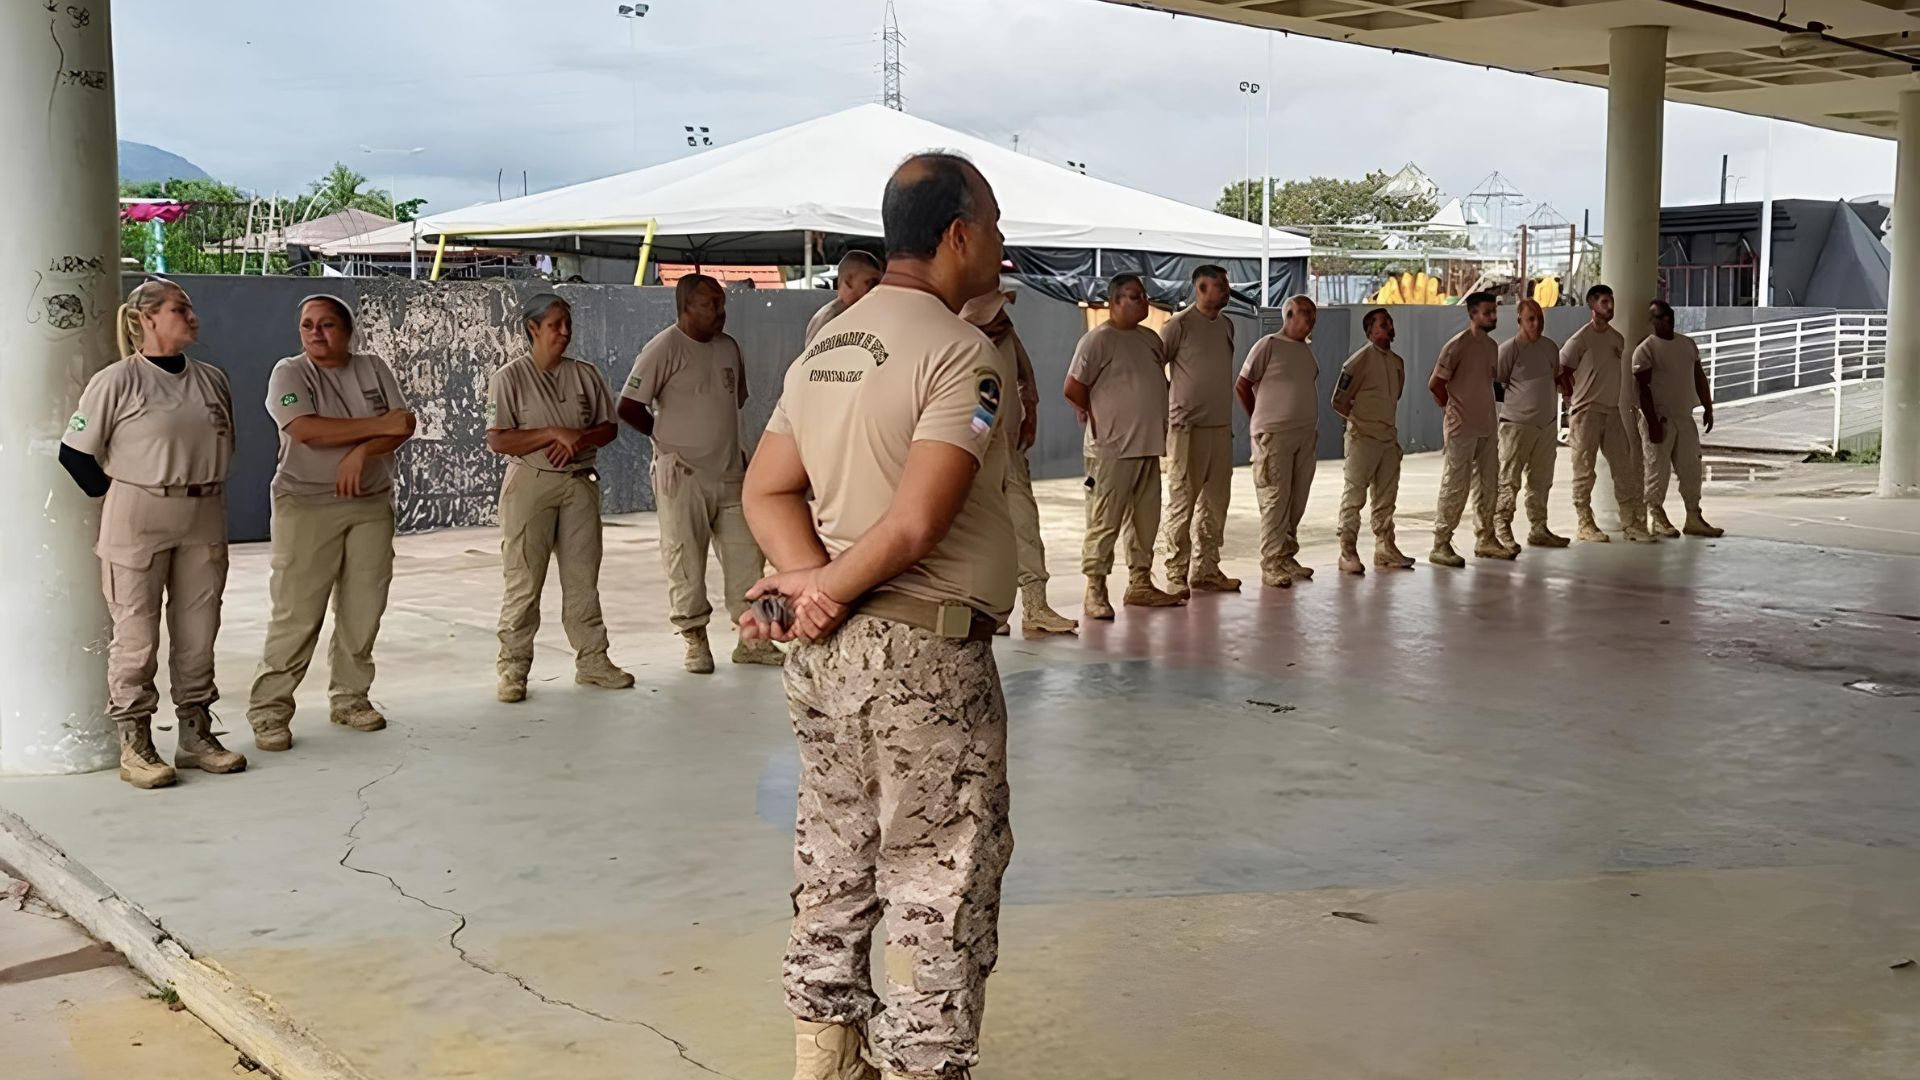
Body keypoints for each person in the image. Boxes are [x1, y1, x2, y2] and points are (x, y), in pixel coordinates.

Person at [739, 152, 1014, 1080]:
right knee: (938, 881)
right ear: (960, 235)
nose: (1004, 245)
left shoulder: (827, 347)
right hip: (921, 657)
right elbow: (916, 522)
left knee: (835, 857)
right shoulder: (960, 352)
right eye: (998, 226)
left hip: (828, 658)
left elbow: (766, 489)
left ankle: (825, 1059)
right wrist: (827, 587)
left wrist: (810, 581)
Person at [59, 280, 245, 789]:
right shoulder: (117, 381)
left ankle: (195, 734)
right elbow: (75, 453)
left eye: (188, 307)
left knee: (199, 630)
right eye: (179, 309)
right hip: (140, 512)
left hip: (203, 510)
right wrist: (122, 495)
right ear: (146, 319)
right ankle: (135, 742)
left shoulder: (212, 379)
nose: (191, 316)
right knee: (137, 635)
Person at [246, 296, 416, 751]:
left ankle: (350, 697)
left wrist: (363, 451)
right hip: (306, 503)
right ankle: (270, 710)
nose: (317, 334)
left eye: (327, 325)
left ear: (348, 329)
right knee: (297, 612)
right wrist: (375, 426)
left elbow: (402, 426)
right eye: (307, 326)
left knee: (363, 607)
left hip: (370, 502)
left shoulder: (373, 368)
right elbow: (306, 429)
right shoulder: (290, 372)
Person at [618, 274, 782, 673]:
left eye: (722, 305)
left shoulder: (729, 348)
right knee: (684, 559)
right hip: (683, 476)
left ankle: (754, 641)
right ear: (686, 306)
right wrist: (666, 440)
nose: (720, 314)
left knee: (748, 559)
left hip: (730, 472)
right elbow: (628, 406)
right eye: (710, 305)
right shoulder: (663, 348)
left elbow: (734, 401)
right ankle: (695, 641)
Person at [485, 293, 634, 703]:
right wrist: (552, 433)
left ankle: (593, 660)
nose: (564, 333)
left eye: (568, 324)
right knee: (523, 580)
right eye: (555, 325)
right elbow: (498, 439)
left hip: (578, 481)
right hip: (531, 481)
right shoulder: (510, 378)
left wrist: (578, 439)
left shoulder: (585, 375)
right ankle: (513, 667)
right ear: (533, 329)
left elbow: (608, 427)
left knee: (583, 578)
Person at [1064, 273, 1186, 617]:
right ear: (1115, 302)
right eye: (1134, 296)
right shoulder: (1097, 340)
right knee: (1105, 521)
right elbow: (1074, 387)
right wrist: (1097, 418)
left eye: (1144, 295)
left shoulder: (1150, 340)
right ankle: (1096, 590)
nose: (1143, 300)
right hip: (1112, 450)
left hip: (1148, 446)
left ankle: (1140, 584)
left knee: (1145, 521)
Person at [962, 288, 1079, 638]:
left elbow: (1026, 377)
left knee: (1024, 525)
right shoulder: (959, 340)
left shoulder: (1007, 336)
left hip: (1009, 451)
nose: (1003, 317)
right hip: (974, 453)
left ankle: (1035, 606)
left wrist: (1031, 415)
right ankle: (989, 610)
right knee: (981, 535)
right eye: (995, 310)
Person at [1156, 265, 1241, 596]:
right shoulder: (1178, 326)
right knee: (1182, 499)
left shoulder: (1227, 326)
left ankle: (1206, 568)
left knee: (1216, 502)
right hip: (1186, 428)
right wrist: (1173, 404)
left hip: (1219, 427)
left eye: (1226, 284)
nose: (1226, 290)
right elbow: (1155, 366)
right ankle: (1176, 572)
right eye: (1220, 285)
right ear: (1201, 288)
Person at [1560, 285, 1657, 543]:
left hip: (1612, 411)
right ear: (1592, 306)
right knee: (1584, 470)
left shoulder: (1617, 338)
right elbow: (1561, 371)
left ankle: (1631, 524)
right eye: (1604, 302)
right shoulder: (1579, 340)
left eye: (1611, 302)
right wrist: (1572, 399)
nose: (1610, 307)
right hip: (1586, 413)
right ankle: (1584, 523)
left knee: (1623, 468)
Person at [1235, 294, 1320, 588]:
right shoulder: (1268, 345)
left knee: (1296, 500)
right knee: (1275, 499)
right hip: (1274, 436)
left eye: (1313, 314)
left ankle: (1286, 555)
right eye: (1304, 313)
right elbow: (1243, 385)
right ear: (1288, 316)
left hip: (1304, 435)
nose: (1310, 319)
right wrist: (1258, 419)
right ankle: (1271, 563)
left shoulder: (1306, 352)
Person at [1426, 292, 1512, 566]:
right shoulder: (1457, 346)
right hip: (1461, 428)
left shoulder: (1491, 347)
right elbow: (1436, 385)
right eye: (1487, 312)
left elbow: (1489, 383)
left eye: (1494, 312)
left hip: (1486, 425)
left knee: (1489, 484)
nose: (1493, 317)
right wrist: (1452, 412)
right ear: (1473, 314)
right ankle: (1441, 543)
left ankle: (1485, 538)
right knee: (1455, 485)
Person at [1331, 308, 1413, 575]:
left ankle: (1385, 548)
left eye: (1389, 322)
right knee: (1354, 497)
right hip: (1363, 439)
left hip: (1388, 439)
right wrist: (1361, 422)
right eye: (1382, 323)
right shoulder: (1359, 361)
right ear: (1370, 331)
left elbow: (1395, 396)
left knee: (1386, 498)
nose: (1389, 326)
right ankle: (1347, 550)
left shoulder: (1397, 362)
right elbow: (1339, 401)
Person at [1635, 299, 1725, 538]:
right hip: (1660, 419)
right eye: (1661, 316)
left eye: (1669, 315)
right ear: (1652, 321)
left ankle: (1693, 516)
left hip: (1684, 417)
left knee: (1691, 469)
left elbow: (1698, 376)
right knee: (1657, 469)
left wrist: (1708, 406)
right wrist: (1652, 421)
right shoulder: (1646, 348)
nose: (1667, 320)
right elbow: (1642, 389)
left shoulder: (1687, 344)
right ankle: (1656, 514)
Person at [1494, 299, 1571, 549]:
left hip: (1546, 424)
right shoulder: (1508, 350)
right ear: (1519, 321)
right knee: (1509, 479)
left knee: (1541, 479)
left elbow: (1557, 377)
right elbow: (1497, 384)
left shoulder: (1550, 348)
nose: (1537, 324)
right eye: (1531, 319)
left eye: (1540, 318)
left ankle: (1538, 527)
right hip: (1516, 425)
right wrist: (1517, 406)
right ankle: (1501, 526)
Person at [804, 250, 884, 344]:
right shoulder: (835, 320)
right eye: (870, 283)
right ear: (849, 282)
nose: (875, 289)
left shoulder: (830, 315)